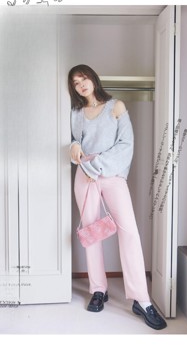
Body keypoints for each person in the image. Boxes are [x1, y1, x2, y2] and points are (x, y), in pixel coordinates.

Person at [68, 64, 167, 331]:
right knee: (91, 234)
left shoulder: (116, 106)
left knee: (129, 232)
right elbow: (73, 141)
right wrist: (74, 146)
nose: (81, 85)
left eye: (84, 78)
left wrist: (94, 165)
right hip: (84, 179)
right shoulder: (76, 112)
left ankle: (141, 300)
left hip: (109, 175)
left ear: (93, 78)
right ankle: (98, 290)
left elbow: (126, 146)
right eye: (76, 83)